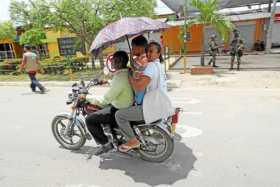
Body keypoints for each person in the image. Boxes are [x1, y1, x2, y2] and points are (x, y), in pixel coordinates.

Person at [115, 41, 167, 153]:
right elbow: (146, 79)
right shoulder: (160, 65)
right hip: (159, 103)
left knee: (119, 115)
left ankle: (132, 140)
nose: (148, 53)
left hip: (150, 107)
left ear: (159, 53)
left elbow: (138, 87)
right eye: (147, 51)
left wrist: (130, 76)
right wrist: (137, 74)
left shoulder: (151, 66)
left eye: (152, 51)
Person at [84, 51, 134, 155]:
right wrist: (107, 82)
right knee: (102, 111)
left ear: (118, 62)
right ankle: (113, 135)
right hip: (127, 105)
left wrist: (86, 97)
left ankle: (106, 144)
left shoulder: (119, 78)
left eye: (113, 61)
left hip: (119, 109)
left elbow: (105, 99)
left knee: (89, 119)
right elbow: (121, 85)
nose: (111, 63)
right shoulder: (127, 72)